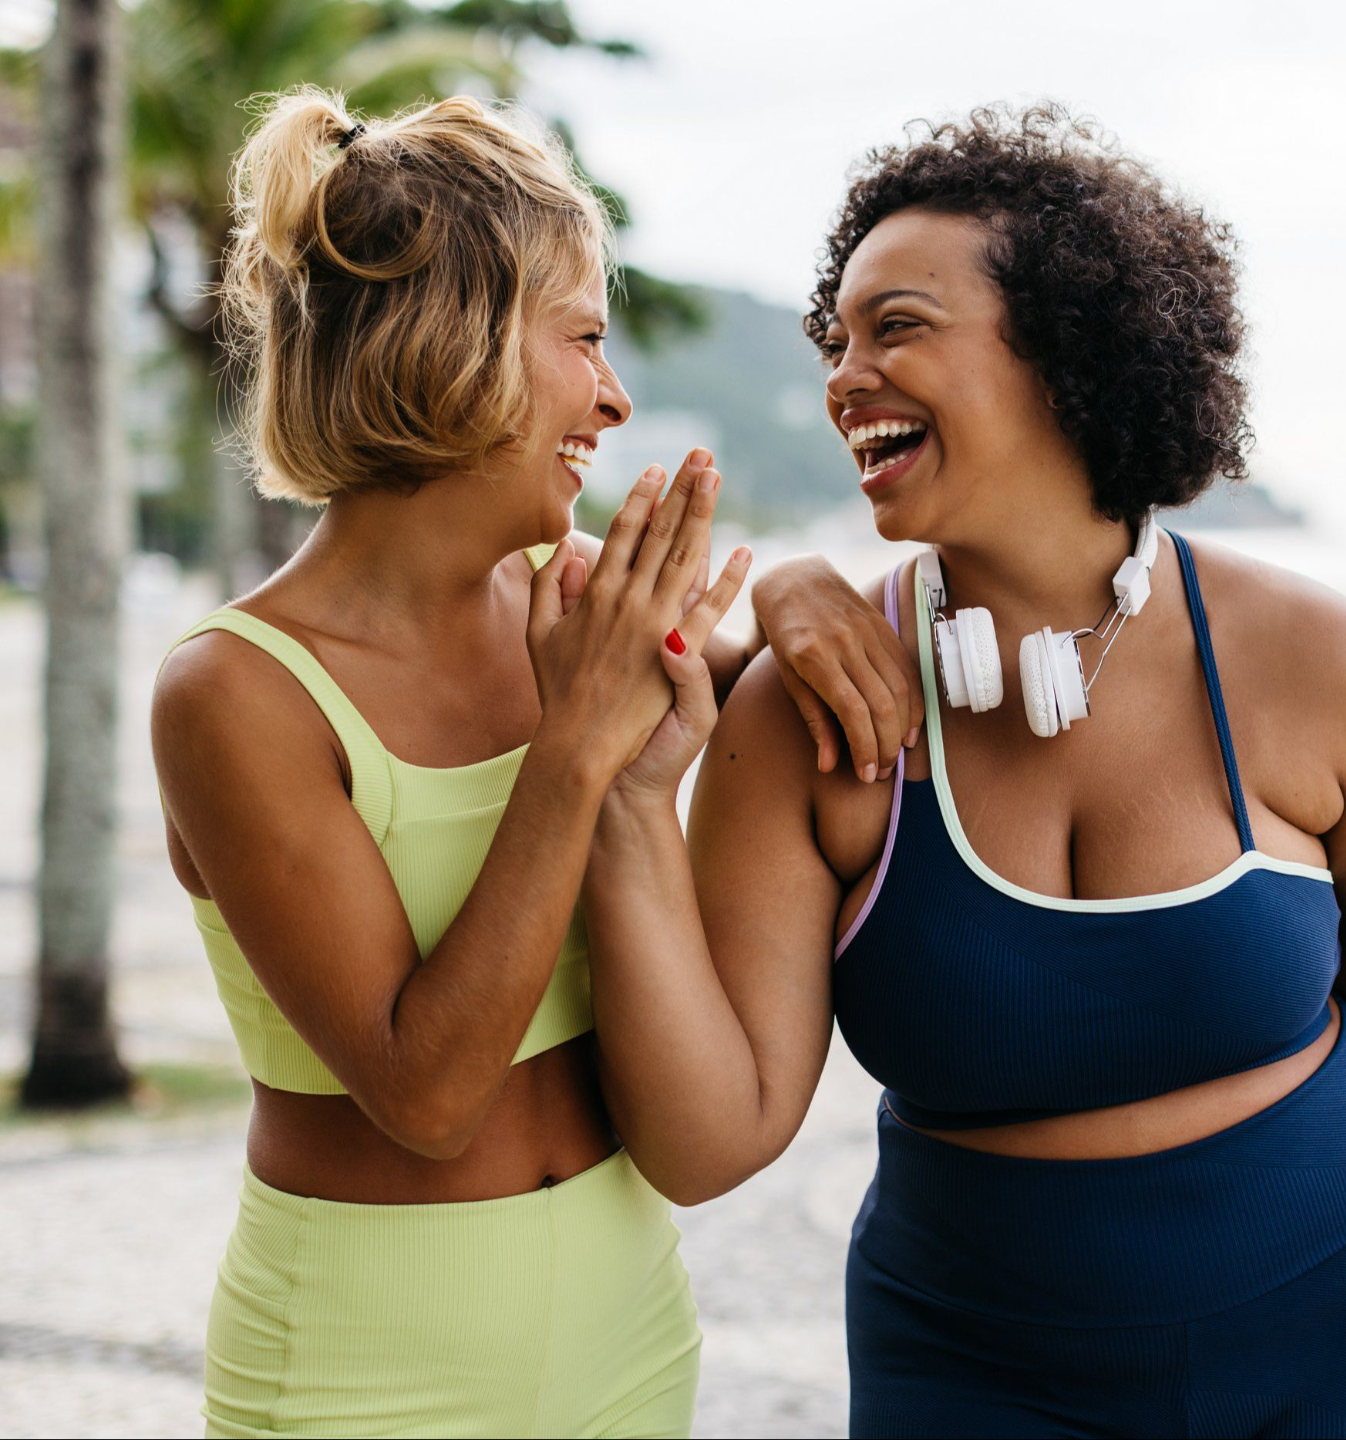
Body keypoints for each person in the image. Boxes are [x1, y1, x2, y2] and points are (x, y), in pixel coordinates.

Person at [576, 107, 1346, 1438]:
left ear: (1064, 348)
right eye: (838, 340)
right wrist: (629, 797)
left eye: (899, 326)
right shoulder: (803, 713)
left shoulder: (1315, 658)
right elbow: (710, 1141)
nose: (845, 377)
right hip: (975, 1382)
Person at [151, 89, 914, 1438]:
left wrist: (798, 590)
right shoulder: (236, 694)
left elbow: (759, 695)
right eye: (582, 341)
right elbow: (426, 1091)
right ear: (456, 347)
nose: (614, 398)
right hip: (358, 1374)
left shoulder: (569, 601)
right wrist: (571, 755)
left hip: (630, 1332)